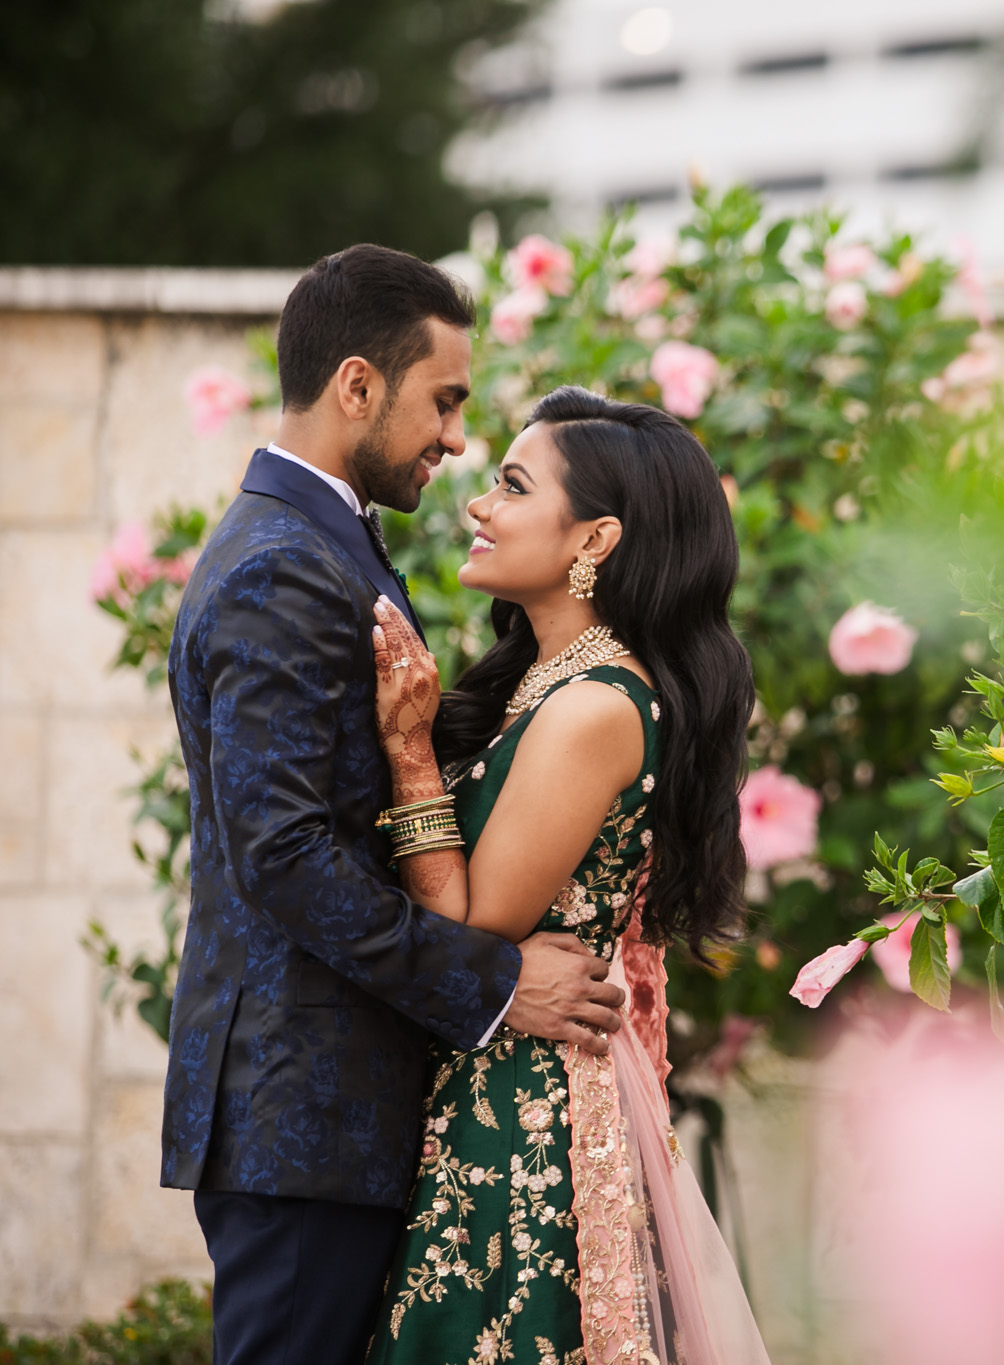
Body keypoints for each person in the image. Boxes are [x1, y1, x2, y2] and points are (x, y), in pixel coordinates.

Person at [162, 246, 632, 1365]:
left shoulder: (325, 545)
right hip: (302, 1121)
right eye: (446, 401)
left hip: (328, 1122)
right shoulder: (284, 565)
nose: (459, 440)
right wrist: (498, 981)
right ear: (358, 386)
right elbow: (283, 855)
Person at [360, 385, 767, 1365]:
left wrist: (410, 750)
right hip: (495, 1069)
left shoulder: (594, 705)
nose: (477, 506)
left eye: (510, 485)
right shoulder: (543, 686)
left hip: (528, 1113)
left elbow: (471, 915)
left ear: (595, 540)